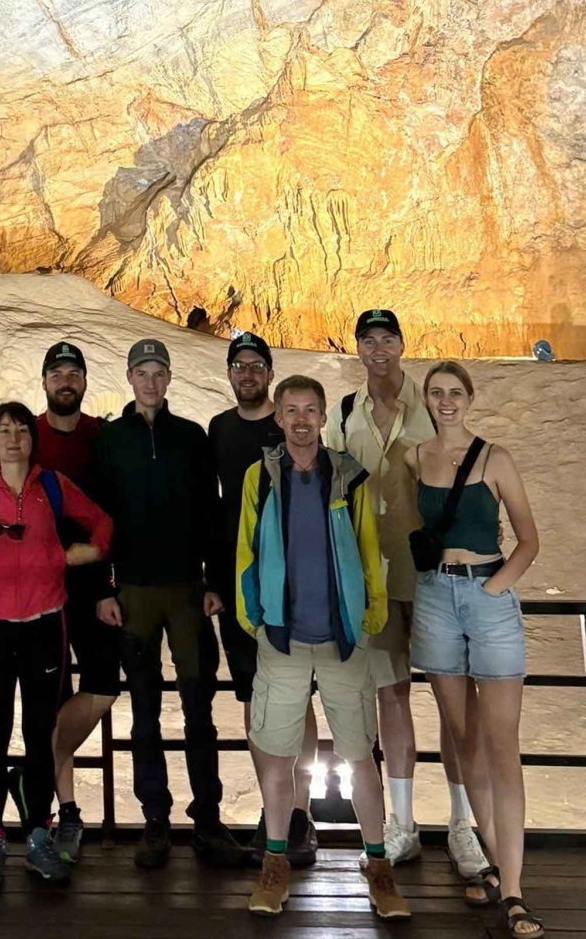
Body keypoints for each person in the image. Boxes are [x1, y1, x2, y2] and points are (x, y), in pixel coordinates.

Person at [235, 375, 410, 920]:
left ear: (323, 417)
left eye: (311, 410)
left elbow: (367, 546)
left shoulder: (347, 476)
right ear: (279, 418)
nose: (301, 420)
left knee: (359, 754)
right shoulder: (260, 476)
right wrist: (253, 615)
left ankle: (378, 865)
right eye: (291, 411)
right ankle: (275, 864)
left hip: (341, 637)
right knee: (278, 757)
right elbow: (245, 547)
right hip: (282, 637)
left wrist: (370, 613)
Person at [325, 309, 483, 874]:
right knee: (391, 696)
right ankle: (403, 824)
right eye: (368, 340)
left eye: (387, 339)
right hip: (374, 579)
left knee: (451, 696)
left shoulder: (433, 406)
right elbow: (330, 485)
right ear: (358, 349)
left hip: (432, 577)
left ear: (400, 345)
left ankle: (463, 825)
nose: (378, 350)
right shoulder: (345, 412)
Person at [88, 338, 245, 869]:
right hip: (133, 591)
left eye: (159, 372)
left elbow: (210, 514)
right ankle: (155, 820)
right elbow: (97, 518)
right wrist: (103, 588)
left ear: (169, 378)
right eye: (143, 373)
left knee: (199, 707)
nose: (151, 382)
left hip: (185, 591)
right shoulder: (111, 440)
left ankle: (207, 820)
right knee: (145, 711)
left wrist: (213, 582)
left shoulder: (190, 437)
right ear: (130, 379)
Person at [405, 361, 542, 939]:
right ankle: (494, 864)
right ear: (426, 400)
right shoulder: (413, 459)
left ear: (470, 398)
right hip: (436, 598)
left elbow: (529, 539)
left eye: (455, 392)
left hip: (487, 598)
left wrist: (492, 588)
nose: (446, 401)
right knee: (464, 741)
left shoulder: (495, 458)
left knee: (502, 746)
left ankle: (512, 890)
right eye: (436, 393)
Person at [0, 400, 114, 890]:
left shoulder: (53, 487)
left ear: (32, 439)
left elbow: (102, 523)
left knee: (41, 731)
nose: (14, 437)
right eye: (4, 430)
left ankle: (39, 835)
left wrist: (83, 553)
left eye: (21, 429)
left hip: (46, 623)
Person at [207, 333, 319, 867]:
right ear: (230, 374)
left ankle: (300, 812)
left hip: (293, 584)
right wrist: (214, 581)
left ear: (270, 374)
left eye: (256, 365)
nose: (247, 373)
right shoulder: (220, 429)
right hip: (240, 582)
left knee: (299, 696)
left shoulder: (289, 427)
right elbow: (215, 510)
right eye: (239, 365)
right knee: (255, 696)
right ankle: (274, 809)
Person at [34, 342, 116, 864]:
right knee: (53, 695)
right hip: (41, 587)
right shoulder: (27, 434)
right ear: (45, 382)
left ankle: (39, 771)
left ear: (85, 381)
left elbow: (112, 507)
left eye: (73, 373)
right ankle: (65, 812)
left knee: (104, 684)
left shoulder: (100, 436)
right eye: (57, 373)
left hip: (91, 583)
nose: (66, 381)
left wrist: (107, 581)